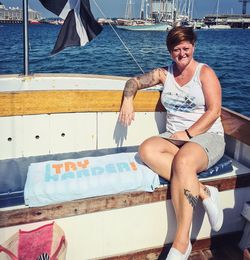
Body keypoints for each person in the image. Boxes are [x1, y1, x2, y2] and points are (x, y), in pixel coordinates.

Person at [118, 26, 225, 260]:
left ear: (193, 47)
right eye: (176, 49)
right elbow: (133, 82)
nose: (181, 54)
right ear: (169, 51)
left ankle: (182, 242)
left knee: (183, 162)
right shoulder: (163, 74)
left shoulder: (204, 73)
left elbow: (215, 111)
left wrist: (188, 133)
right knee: (146, 149)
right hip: (177, 137)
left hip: (208, 137)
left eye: (186, 48)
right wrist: (128, 100)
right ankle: (205, 192)